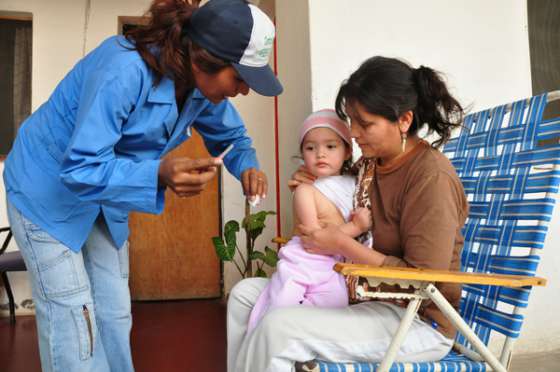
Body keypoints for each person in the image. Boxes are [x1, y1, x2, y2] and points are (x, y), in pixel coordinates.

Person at [2, 0, 282, 371]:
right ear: (205, 59)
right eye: (241, 78)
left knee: (114, 312)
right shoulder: (123, 70)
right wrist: (158, 173)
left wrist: (248, 166)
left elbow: (233, 138)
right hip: (46, 189)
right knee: (74, 314)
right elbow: (81, 167)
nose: (245, 90)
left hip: (105, 194)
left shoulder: (199, 86)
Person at [227, 56, 468, 372]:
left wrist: (339, 243)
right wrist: (312, 183)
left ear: (404, 120)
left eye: (365, 124)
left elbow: (422, 280)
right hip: (362, 297)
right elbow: (338, 189)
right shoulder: (372, 163)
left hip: (416, 321)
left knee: (278, 327)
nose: (353, 133)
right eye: (352, 121)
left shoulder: (430, 178)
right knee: (245, 295)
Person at [246, 109, 371, 333]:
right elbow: (315, 238)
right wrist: (356, 227)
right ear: (303, 154)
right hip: (304, 262)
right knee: (281, 308)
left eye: (330, 147)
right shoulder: (305, 190)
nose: (320, 154)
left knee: (332, 308)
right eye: (310, 148)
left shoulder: (356, 184)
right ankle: (264, 337)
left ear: (347, 151)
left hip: (335, 267)